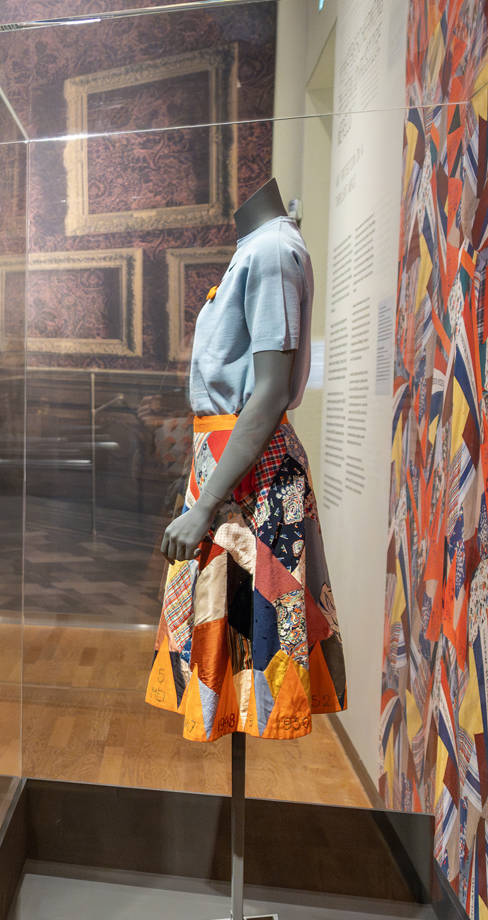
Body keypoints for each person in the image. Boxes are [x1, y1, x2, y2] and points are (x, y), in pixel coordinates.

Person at [145, 178, 346, 742]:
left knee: (249, 618)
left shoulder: (272, 250)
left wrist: (208, 503)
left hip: (248, 480)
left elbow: (270, 392)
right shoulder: (259, 248)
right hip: (227, 464)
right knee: (218, 611)